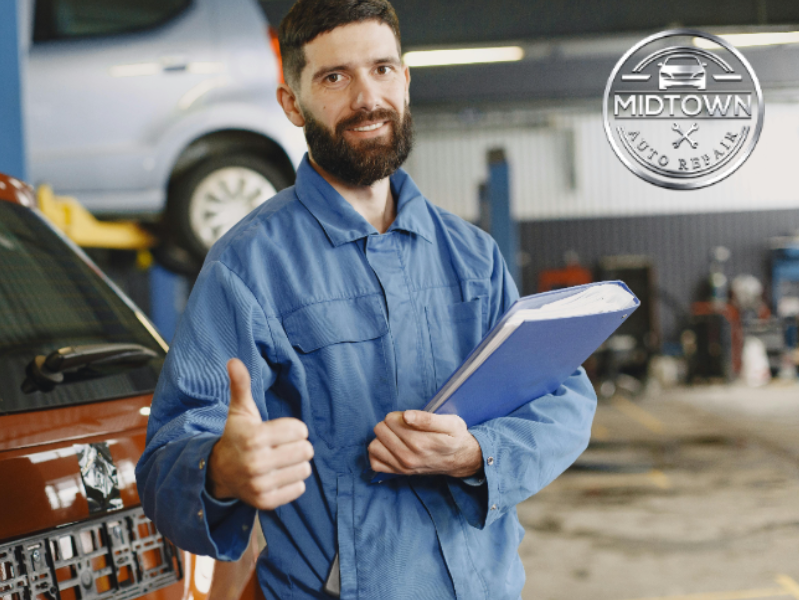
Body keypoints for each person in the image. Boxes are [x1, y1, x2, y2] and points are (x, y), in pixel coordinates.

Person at [135, 0, 598, 598]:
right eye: (334, 77)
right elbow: (167, 459)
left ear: (404, 81)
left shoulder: (471, 254)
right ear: (291, 103)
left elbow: (563, 397)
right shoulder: (248, 266)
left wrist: (477, 452)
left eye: (381, 69)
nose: (366, 99)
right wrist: (222, 468)